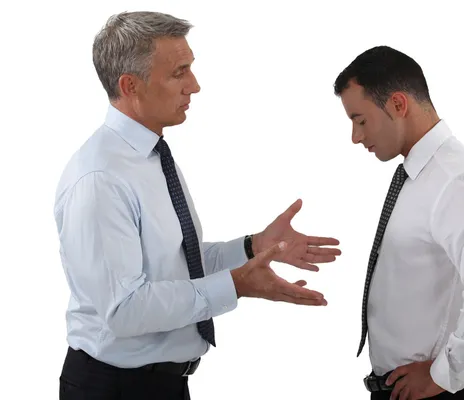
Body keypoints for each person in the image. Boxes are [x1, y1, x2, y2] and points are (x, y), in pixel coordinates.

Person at [54, 11, 341, 400]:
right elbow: (124, 309)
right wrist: (237, 285)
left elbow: (173, 265)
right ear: (130, 85)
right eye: (179, 73)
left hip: (163, 385)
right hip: (116, 389)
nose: (195, 86)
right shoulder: (100, 178)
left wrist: (251, 248)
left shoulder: (150, 155)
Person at [332, 46, 464, 400]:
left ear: (397, 105)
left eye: (360, 120)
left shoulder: (455, 179)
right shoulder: (421, 174)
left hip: (432, 393)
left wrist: (445, 374)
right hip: (405, 388)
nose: (356, 137)